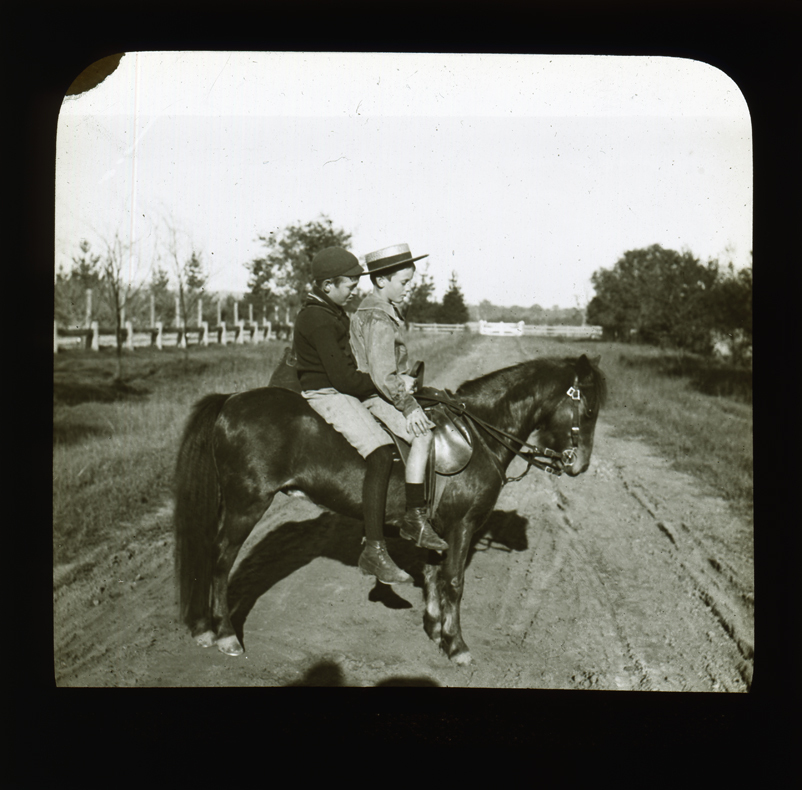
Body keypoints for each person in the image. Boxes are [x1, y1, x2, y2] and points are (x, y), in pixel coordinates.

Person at [293, 246, 414, 586]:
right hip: (327, 393)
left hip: (339, 389)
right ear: (328, 285)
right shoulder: (316, 318)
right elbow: (344, 378)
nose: (352, 292)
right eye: (348, 285)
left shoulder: (331, 313)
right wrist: (384, 384)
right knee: (378, 455)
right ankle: (374, 549)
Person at [349, 243, 449, 552]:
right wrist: (408, 405)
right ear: (381, 281)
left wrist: (405, 378)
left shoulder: (379, 309)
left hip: (384, 387)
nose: (407, 290)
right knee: (422, 436)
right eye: (403, 283)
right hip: (376, 394)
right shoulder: (378, 317)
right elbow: (381, 376)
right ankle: (414, 518)